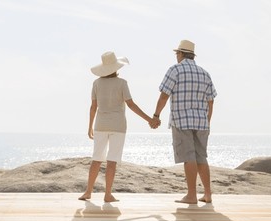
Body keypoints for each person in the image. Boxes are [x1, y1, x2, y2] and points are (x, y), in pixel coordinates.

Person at [79, 51, 155, 203]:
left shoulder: (96, 83)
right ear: (115, 67)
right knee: (112, 161)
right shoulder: (122, 83)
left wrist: (89, 127)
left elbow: (93, 107)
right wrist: (149, 119)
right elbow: (131, 105)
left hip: (100, 125)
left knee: (96, 159)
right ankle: (107, 194)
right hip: (118, 126)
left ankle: (88, 192)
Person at [151, 40, 217, 204]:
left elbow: (164, 95)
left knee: (189, 157)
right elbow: (211, 101)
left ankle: (191, 195)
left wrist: (156, 115)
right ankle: (207, 194)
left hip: (181, 120)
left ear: (180, 54)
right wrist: (207, 121)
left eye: (177, 54)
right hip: (202, 121)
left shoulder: (175, 70)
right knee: (201, 157)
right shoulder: (204, 73)